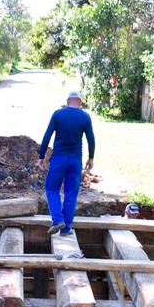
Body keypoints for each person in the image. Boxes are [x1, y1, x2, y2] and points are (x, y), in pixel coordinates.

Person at [38, 91, 96, 235]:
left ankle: (58, 220)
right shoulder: (85, 117)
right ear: (80, 102)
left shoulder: (58, 114)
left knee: (52, 189)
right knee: (71, 193)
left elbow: (47, 135)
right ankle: (66, 229)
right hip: (75, 161)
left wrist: (41, 156)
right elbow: (91, 139)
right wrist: (91, 157)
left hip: (58, 159)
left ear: (67, 100)